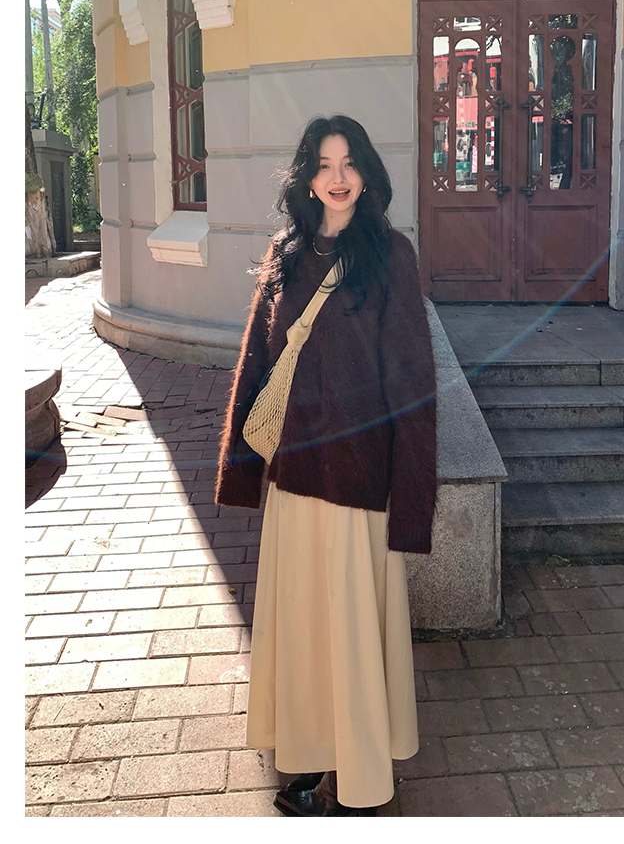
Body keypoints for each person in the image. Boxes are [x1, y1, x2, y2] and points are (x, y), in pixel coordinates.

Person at [215, 114, 437, 817]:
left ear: (366, 173)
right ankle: (312, 760)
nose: (337, 178)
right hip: (296, 479)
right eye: (323, 164)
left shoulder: (391, 255)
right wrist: (243, 469)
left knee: (350, 636)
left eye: (349, 163)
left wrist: (411, 501)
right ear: (306, 178)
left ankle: (361, 780)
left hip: (359, 483)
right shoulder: (285, 254)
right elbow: (259, 361)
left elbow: (412, 380)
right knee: (306, 634)